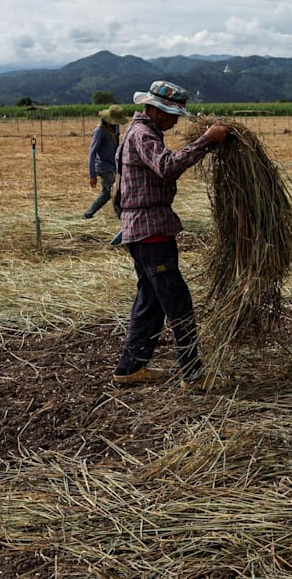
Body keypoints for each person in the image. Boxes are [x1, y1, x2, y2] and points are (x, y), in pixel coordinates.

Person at [112, 80, 230, 386]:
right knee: (178, 302)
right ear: (152, 109)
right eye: (170, 113)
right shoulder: (143, 134)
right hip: (150, 234)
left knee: (150, 302)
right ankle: (193, 375)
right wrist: (206, 140)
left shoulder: (142, 132)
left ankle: (130, 369)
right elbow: (166, 166)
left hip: (145, 230)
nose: (175, 120)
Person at [83, 104, 127, 219]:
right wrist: (92, 175)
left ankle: (88, 214)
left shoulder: (115, 128)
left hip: (113, 166)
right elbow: (92, 153)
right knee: (116, 193)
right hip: (104, 167)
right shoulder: (99, 131)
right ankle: (123, 218)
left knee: (106, 194)